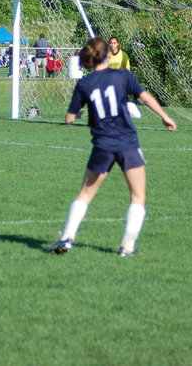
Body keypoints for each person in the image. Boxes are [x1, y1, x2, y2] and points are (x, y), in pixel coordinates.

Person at [50, 37, 177, 257]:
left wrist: (79, 114)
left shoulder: (84, 84)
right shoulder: (124, 76)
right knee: (137, 196)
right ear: (108, 54)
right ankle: (127, 246)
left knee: (85, 194)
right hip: (127, 143)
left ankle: (67, 238)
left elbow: (69, 118)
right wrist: (165, 117)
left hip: (102, 145)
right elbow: (146, 98)